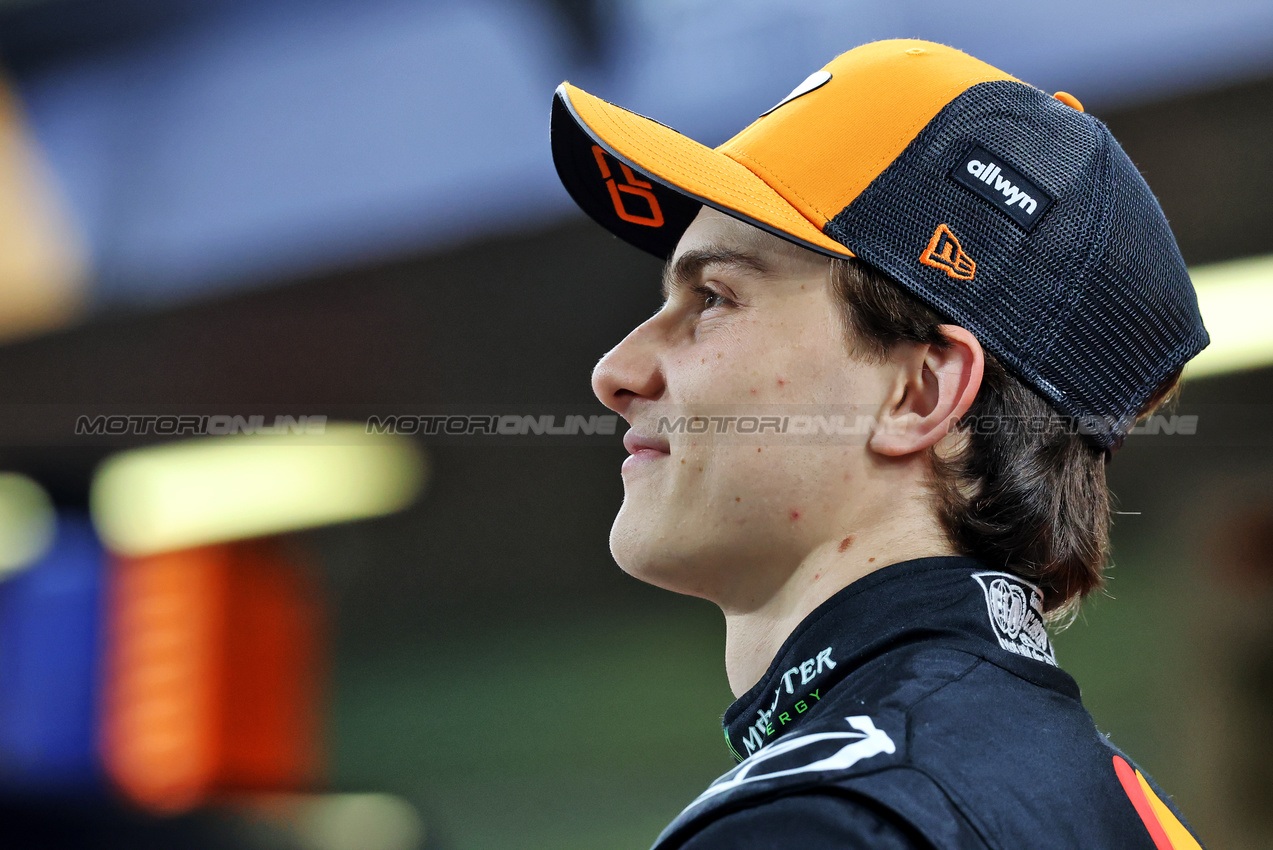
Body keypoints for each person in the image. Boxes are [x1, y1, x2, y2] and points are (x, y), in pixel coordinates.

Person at [551, 39, 1210, 849]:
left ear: (918, 392)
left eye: (714, 297)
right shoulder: (1130, 813)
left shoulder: (819, 821)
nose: (616, 371)